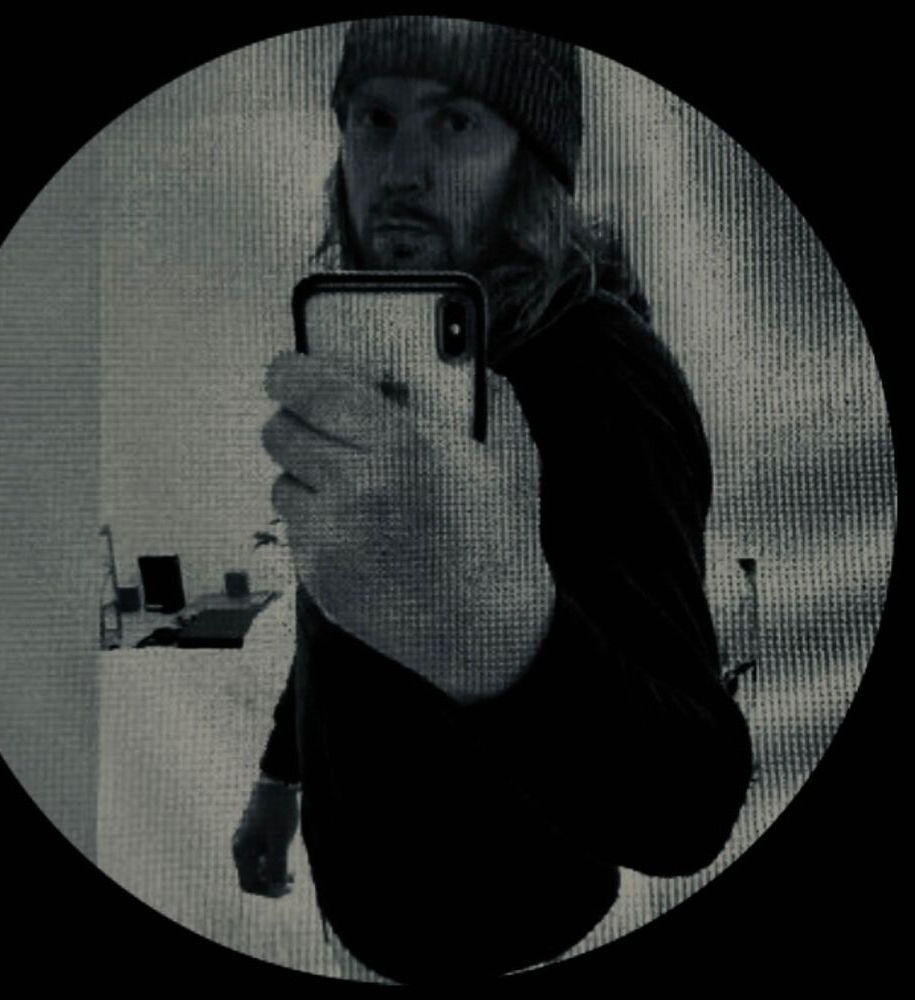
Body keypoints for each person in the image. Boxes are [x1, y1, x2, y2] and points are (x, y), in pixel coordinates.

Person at [232, 17, 753, 984]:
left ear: (531, 160)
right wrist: (279, 777)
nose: (401, 172)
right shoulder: (372, 345)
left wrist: (495, 637)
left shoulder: (602, 375)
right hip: (355, 913)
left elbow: (691, 802)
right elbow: (332, 597)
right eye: (375, 119)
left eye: (456, 122)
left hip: (511, 937)